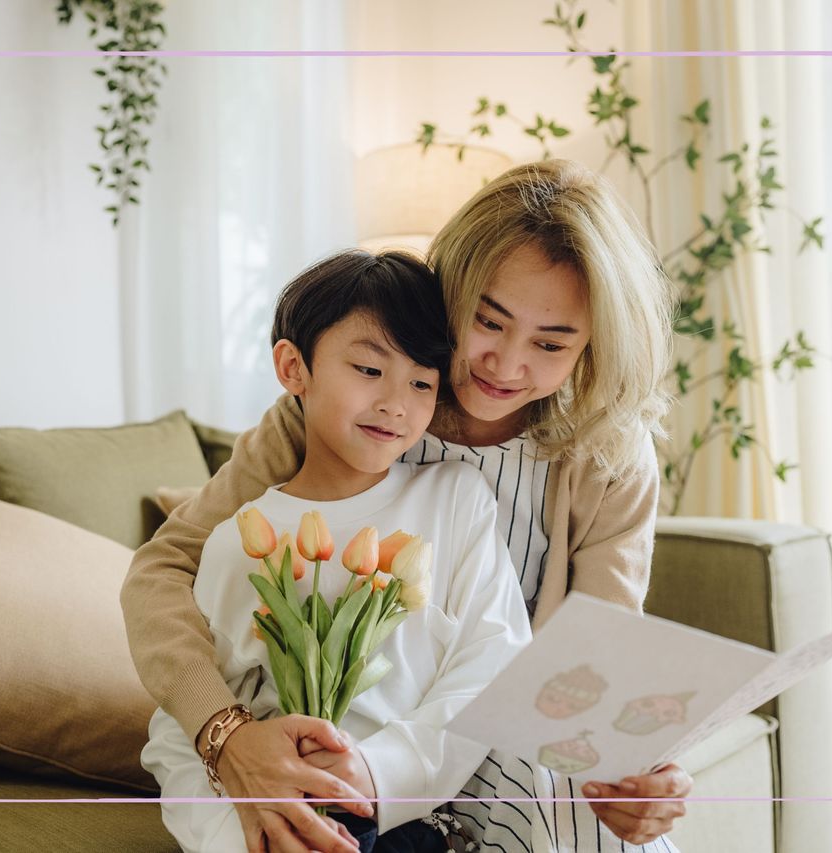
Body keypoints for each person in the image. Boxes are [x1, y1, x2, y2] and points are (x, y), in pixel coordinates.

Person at [122, 160, 693, 853]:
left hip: (502, 752)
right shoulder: (338, 417)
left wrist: (636, 778)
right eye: (489, 320)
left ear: (593, 343)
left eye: (551, 343)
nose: (506, 364)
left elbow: (599, 654)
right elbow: (163, 572)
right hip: (371, 759)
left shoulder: (607, 452)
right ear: (453, 289)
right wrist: (226, 733)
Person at [140, 249, 534, 853]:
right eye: (369, 370)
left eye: (423, 381)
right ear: (293, 368)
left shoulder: (456, 499)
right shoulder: (241, 538)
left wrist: (378, 775)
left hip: (408, 821)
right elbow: (176, 731)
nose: (396, 403)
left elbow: (493, 664)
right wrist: (239, 836)